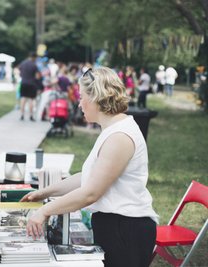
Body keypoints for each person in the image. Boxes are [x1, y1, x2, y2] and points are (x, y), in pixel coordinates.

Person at [21, 67, 158, 267]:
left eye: (82, 96)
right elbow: (86, 177)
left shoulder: (119, 137)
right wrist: (42, 193)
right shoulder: (112, 129)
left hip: (126, 228)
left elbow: (90, 193)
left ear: (96, 97)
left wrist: (45, 211)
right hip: (116, 225)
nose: (79, 102)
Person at [19, 52, 39, 121]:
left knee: (23, 99)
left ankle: (22, 114)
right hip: (32, 84)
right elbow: (37, 76)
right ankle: (31, 115)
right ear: (34, 57)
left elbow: (20, 73)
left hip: (23, 83)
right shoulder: (34, 65)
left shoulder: (23, 63)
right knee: (31, 99)